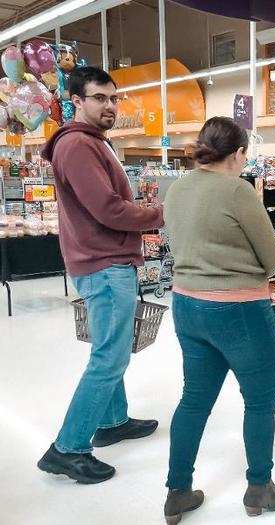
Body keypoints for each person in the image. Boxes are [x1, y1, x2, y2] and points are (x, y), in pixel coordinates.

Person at [162, 117, 275, 523]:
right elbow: (274, 258)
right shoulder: (237, 191)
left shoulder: (176, 188)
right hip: (239, 309)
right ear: (238, 154)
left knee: (193, 399)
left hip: (187, 305)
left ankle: (177, 492)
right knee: (259, 401)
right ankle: (259, 489)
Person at [37, 67, 164, 483]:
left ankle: (112, 421)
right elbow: (108, 210)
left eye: (114, 97)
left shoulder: (92, 143)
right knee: (109, 357)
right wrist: (163, 215)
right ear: (78, 99)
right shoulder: (77, 145)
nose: (110, 105)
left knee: (113, 349)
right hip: (104, 264)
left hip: (107, 260)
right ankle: (68, 448)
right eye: (99, 98)